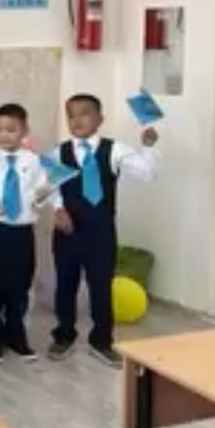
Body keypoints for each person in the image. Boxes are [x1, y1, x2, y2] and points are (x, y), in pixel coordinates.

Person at [49, 94, 159, 367]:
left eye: (84, 113)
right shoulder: (58, 153)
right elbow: (48, 186)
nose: (77, 120)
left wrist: (148, 147)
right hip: (68, 232)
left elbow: (147, 173)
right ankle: (64, 335)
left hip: (100, 232)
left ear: (99, 119)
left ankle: (101, 341)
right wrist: (58, 209)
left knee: (101, 286)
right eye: (71, 115)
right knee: (65, 285)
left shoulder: (115, 150)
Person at [0, 103, 51, 364]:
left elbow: (42, 191)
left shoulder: (33, 161)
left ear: (24, 131)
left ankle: (17, 337)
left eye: (11, 129)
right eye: (0, 129)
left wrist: (43, 195)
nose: (5, 135)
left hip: (22, 232)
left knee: (20, 287)